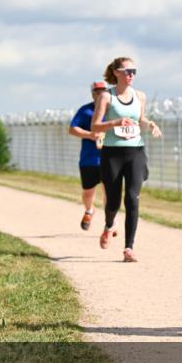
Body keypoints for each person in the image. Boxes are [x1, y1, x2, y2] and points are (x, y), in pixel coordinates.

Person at [90, 56, 162, 262]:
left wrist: (150, 124)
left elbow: (140, 119)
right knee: (112, 201)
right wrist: (115, 122)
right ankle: (109, 225)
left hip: (135, 152)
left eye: (134, 71)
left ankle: (128, 248)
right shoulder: (106, 97)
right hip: (112, 153)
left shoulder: (140, 96)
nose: (131, 75)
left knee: (132, 199)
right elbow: (95, 126)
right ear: (116, 72)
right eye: (128, 71)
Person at [69, 81, 108, 230]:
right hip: (89, 159)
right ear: (93, 94)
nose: (100, 94)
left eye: (103, 91)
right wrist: (90, 135)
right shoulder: (86, 111)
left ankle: (109, 221)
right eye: (97, 92)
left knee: (109, 191)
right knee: (88, 192)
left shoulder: (111, 111)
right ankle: (89, 210)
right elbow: (73, 129)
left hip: (109, 158)